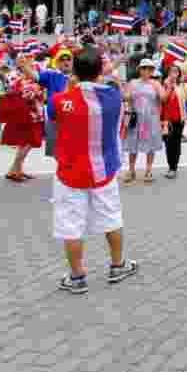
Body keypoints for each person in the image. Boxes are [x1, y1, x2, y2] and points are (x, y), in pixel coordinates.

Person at [50, 47, 138, 294]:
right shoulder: (113, 96)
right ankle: (117, 265)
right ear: (100, 71)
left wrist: (72, 86)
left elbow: (55, 114)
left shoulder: (61, 99)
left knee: (71, 225)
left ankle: (77, 277)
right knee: (111, 217)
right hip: (104, 170)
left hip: (69, 173)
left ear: (74, 71)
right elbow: (109, 84)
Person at [20, 49, 75, 161]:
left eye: (68, 59)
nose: (66, 62)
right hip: (54, 120)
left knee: (73, 151)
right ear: (57, 62)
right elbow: (35, 76)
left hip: (73, 119)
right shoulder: (51, 74)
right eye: (62, 59)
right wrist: (24, 66)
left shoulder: (78, 76)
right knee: (56, 152)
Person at [122, 58, 167, 184]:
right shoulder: (133, 83)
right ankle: (131, 170)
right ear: (139, 70)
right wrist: (120, 87)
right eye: (144, 68)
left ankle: (148, 169)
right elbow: (126, 97)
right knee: (132, 145)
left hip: (151, 119)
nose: (146, 71)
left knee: (150, 145)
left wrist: (166, 86)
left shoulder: (156, 83)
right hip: (135, 118)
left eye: (149, 68)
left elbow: (163, 98)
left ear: (152, 71)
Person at [160, 63, 187, 180]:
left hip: (179, 119)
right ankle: (171, 167)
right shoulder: (164, 84)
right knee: (168, 144)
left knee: (176, 144)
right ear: (168, 72)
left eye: (176, 71)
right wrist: (170, 87)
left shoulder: (182, 85)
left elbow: (186, 99)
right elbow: (163, 99)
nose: (174, 74)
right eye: (172, 71)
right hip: (167, 120)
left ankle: (173, 168)